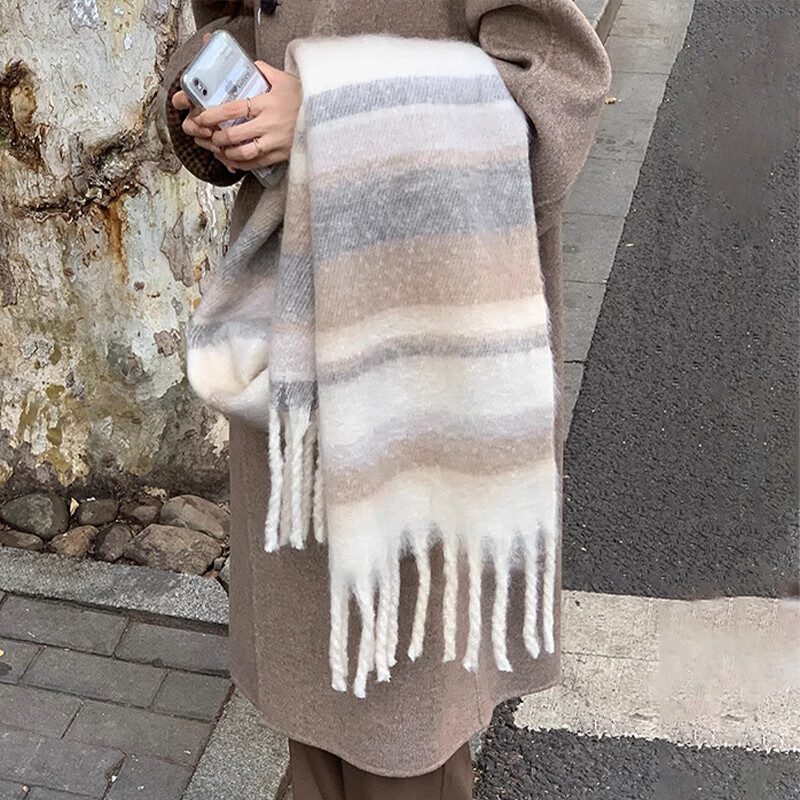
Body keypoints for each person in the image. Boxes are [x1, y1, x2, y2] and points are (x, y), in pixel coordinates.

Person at [159, 1, 611, 797]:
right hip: (295, 343)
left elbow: (559, 97)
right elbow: (231, 22)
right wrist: (211, 99)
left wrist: (327, 111)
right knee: (313, 719)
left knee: (399, 735)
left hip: (423, 357)